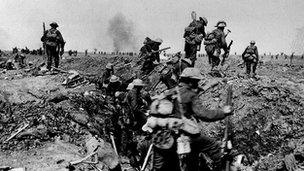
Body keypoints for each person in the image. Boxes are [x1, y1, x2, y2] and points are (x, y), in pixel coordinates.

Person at [141, 67, 233, 171]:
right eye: (196, 81)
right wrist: (223, 112)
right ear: (191, 81)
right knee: (213, 146)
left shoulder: (171, 92)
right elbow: (204, 114)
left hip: (168, 134)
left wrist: (211, 84)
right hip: (185, 133)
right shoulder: (190, 94)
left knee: (183, 161)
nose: (197, 83)